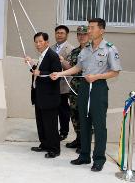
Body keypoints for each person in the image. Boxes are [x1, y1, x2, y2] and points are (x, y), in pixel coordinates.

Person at [50, 18, 121, 172]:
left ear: (101, 30)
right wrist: (60, 73)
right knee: (84, 122)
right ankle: (84, 156)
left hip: (98, 88)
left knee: (99, 125)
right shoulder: (86, 48)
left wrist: (97, 77)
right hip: (83, 87)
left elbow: (115, 72)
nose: (89, 30)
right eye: (88, 27)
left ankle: (99, 159)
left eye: (92, 27)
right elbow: (77, 67)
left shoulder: (109, 48)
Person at [25, 32, 62, 159]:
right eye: (36, 42)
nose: (38, 44)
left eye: (40, 41)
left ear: (47, 42)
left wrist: (40, 72)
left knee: (50, 124)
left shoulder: (53, 55)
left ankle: (54, 149)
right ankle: (44, 144)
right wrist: (32, 64)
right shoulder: (42, 55)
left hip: (49, 97)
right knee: (41, 122)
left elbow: (56, 74)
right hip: (39, 95)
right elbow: (39, 70)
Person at [60, 25, 89, 153]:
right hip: (74, 87)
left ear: (89, 35)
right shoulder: (75, 51)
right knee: (75, 115)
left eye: (84, 34)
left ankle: (85, 142)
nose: (81, 36)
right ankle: (79, 138)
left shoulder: (92, 51)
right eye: (79, 34)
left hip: (87, 87)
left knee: (85, 115)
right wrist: (61, 61)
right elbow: (70, 68)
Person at [51, 25, 74, 141]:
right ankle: (52, 130)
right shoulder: (51, 48)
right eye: (57, 33)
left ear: (66, 35)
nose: (59, 35)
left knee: (63, 110)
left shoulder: (71, 49)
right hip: (51, 84)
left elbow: (71, 67)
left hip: (64, 84)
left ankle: (64, 132)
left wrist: (62, 60)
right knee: (52, 109)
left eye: (62, 33)